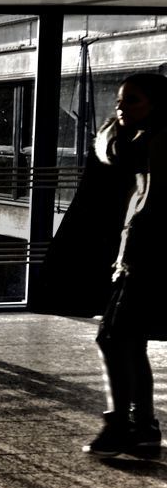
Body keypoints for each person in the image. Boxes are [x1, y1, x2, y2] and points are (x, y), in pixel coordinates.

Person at [84, 72, 166, 456]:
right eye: (120, 100)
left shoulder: (153, 142)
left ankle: (122, 425)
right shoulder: (145, 139)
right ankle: (143, 424)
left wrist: (130, 256)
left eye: (132, 101)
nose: (120, 108)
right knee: (131, 342)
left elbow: (110, 151)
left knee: (113, 338)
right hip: (141, 251)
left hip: (146, 254)